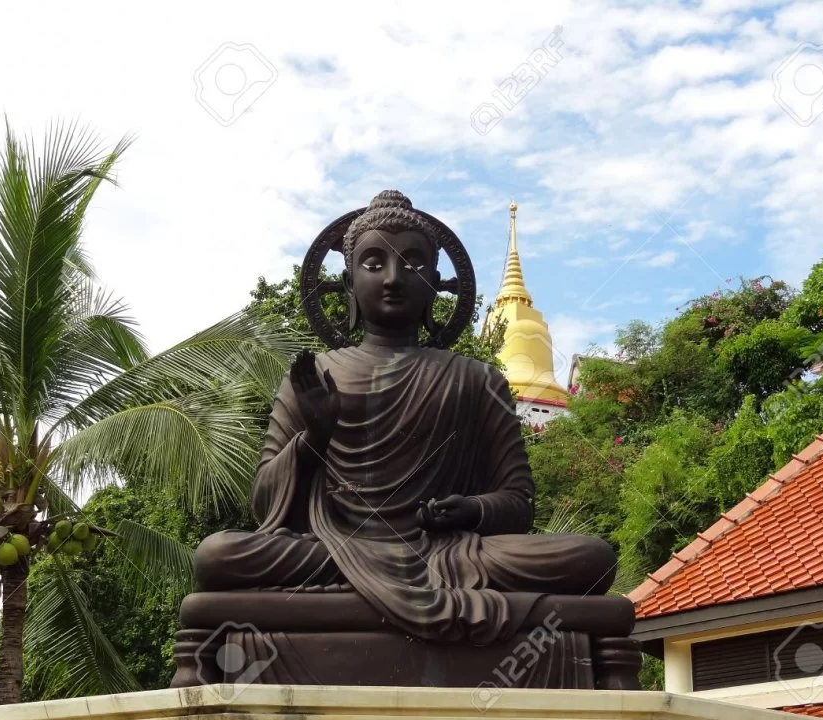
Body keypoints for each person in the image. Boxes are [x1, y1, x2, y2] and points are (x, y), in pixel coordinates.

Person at [195, 190, 615, 645]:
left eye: (412, 264)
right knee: (219, 555)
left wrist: (471, 509)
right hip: (336, 548)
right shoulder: (314, 374)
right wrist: (313, 438)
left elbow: (517, 502)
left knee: (592, 558)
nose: (393, 278)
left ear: (436, 281)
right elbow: (265, 506)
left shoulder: (475, 378)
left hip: (450, 554)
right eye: (374, 263)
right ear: (349, 281)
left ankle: (353, 599)